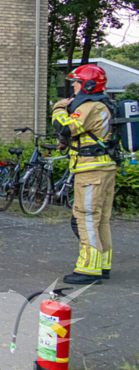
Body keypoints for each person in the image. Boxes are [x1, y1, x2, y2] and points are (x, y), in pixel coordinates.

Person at [52, 64, 117, 285]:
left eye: (77, 82)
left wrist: (59, 107)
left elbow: (65, 127)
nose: (73, 85)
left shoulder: (90, 107)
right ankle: (102, 264)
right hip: (105, 168)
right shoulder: (105, 105)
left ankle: (89, 269)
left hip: (90, 171)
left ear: (88, 85)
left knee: (86, 217)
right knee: (101, 219)